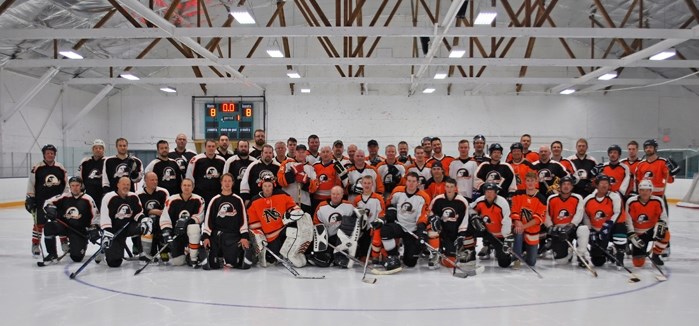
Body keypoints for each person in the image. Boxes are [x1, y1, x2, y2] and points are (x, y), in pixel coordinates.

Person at [247, 177, 311, 267]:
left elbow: (294, 207)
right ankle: (280, 254)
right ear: (262, 187)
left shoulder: (281, 195)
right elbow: (253, 225)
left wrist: (294, 212)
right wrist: (259, 237)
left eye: (269, 186)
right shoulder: (254, 201)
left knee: (295, 230)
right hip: (270, 237)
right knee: (272, 258)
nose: (267, 188)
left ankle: (293, 254)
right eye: (265, 186)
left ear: (273, 186)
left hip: (283, 229)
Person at [378, 172, 431, 272]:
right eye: (409, 181)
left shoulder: (423, 197)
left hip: (412, 229)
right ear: (406, 181)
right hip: (399, 225)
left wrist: (421, 230)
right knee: (385, 230)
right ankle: (393, 256)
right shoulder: (398, 191)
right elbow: (389, 203)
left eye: (414, 181)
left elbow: (422, 215)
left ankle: (409, 251)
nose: (411, 184)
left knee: (410, 262)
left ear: (418, 183)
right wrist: (390, 210)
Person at [635, 139, 678, 257]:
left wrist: (672, 172)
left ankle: (665, 246)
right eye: (646, 147)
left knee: (662, 223)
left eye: (650, 147)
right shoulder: (641, 164)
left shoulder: (663, 162)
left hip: (658, 198)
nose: (648, 149)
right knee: (645, 222)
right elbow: (637, 181)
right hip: (644, 198)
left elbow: (670, 180)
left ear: (655, 148)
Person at [41, 177, 98, 263]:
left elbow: (96, 216)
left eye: (77, 185)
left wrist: (94, 228)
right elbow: (48, 202)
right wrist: (50, 209)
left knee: (77, 258)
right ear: (70, 186)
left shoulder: (88, 199)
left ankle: (78, 244)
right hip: (65, 226)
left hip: (79, 230)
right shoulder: (64, 196)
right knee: (49, 227)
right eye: (72, 185)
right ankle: (52, 253)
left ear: (81, 186)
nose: (75, 188)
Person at [26, 144, 69, 258]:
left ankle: (64, 242)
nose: (50, 155)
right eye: (47, 153)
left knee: (60, 222)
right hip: (41, 201)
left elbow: (66, 185)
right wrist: (30, 197)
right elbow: (31, 184)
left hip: (57, 202)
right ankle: (35, 244)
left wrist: (66, 197)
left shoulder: (61, 168)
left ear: (55, 154)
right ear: (44, 154)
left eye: (52, 153)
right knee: (39, 224)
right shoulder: (37, 168)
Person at [202, 173, 251, 269]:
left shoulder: (238, 200)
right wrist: (206, 237)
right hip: (217, 234)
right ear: (221, 182)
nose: (227, 183)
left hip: (233, 235)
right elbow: (208, 220)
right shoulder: (215, 200)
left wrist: (244, 236)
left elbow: (243, 219)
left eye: (229, 181)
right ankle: (217, 255)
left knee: (233, 263)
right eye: (225, 181)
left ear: (233, 183)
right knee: (213, 265)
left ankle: (232, 254)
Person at [429, 178, 476, 268]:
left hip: (454, 233)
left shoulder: (462, 201)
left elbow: (465, 220)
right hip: (441, 232)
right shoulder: (438, 200)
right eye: (447, 187)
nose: (449, 189)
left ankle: (467, 251)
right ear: (444, 188)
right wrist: (433, 218)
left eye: (451, 187)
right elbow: (429, 213)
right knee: (431, 227)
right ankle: (434, 252)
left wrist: (461, 235)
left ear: (455, 188)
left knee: (450, 263)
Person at [582, 174, 627, 267]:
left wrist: (608, 224)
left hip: (611, 228)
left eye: (606, 183)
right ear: (597, 185)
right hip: (597, 230)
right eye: (602, 183)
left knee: (621, 227)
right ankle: (609, 252)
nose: (604, 185)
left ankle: (620, 252)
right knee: (597, 262)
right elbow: (586, 217)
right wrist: (591, 231)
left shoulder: (614, 196)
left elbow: (617, 212)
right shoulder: (588, 199)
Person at [544, 175, 589, 266]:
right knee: (561, 262)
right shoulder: (552, 198)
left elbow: (579, 213)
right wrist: (550, 227)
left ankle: (581, 255)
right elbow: (547, 215)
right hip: (558, 229)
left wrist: (571, 225)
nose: (566, 186)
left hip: (572, 227)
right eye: (564, 184)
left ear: (572, 187)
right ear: (559, 186)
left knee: (583, 229)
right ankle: (569, 251)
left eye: (568, 184)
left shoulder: (577, 198)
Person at [311, 186, 361, 267]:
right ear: (330, 195)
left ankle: (342, 255)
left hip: (343, 239)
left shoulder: (349, 206)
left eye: (338, 194)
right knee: (324, 261)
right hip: (328, 239)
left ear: (342, 195)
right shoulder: (321, 206)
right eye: (333, 194)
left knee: (348, 221)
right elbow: (316, 224)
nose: (335, 196)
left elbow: (356, 221)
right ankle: (328, 256)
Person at [99, 177, 144, 267]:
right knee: (114, 263)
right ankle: (104, 250)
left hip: (128, 227)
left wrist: (144, 219)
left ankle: (144, 252)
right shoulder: (108, 197)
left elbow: (138, 213)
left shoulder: (133, 196)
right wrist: (107, 232)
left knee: (146, 226)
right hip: (114, 230)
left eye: (128, 185)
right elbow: (104, 216)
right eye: (123, 184)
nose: (126, 187)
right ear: (118, 185)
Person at [160, 178, 206, 267]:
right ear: (181, 187)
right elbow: (165, 218)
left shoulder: (199, 199)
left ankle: (193, 258)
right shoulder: (171, 200)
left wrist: (186, 223)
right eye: (184, 185)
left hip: (190, 233)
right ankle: (184, 251)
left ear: (193, 187)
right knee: (178, 262)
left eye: (189, 185)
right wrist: (167, 232)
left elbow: (200, 216)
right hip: (176, 233)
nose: (186, 187)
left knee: (193, 227)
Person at [626, 180, 670, 267]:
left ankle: (656, 255)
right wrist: (632, 234)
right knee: (638, 264)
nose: (644, 192)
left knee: (665, 233)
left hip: (651, 230)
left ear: (651, 191)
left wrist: (660, 225)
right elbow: (628, 220)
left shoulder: (658, 201)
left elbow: (663, 216)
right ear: (639, 191)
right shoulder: (631, 201)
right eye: (642, 190)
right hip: (637, 232)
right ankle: (624, 247)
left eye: (647, 190)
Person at [469, 183, 513, 268]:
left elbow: (507, 221)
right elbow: (469, 208)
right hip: (486, 231)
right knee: (468, 227)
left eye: (491, 191)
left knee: (504, 263)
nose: (489, 194)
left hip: (499, 235)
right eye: (487, 191)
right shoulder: (480, 200)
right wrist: (474, 217)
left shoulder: (502, 203)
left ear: (496, 193)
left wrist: (506, 238)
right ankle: (469, 251)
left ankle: (507, 253)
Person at [510, 172, 547, 267]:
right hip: (519, 227)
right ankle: (516, 259)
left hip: (532, 230)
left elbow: (538, 219)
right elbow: (514, 211)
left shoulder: (541, 198)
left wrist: (523, 226)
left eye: (532, 181)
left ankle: (525, 254)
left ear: (536, 182)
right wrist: (518, 223)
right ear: (524, 182)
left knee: (531, 262)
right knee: (518, 232)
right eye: (528, 180)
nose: (530, 183)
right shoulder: (518, 194)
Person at [136, 172, 170, 262]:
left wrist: (160, 213)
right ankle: (147, 251)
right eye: (152, 180)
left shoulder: (163, 192)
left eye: (156, 180)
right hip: (146, 221)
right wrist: (150, 211)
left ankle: (164, 250)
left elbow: (168, 208)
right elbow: (137, 211)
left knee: (162, 223)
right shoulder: (138, 194)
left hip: (160, 219)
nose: (155, 182)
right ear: (145, 181)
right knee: (147, 223)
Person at [352, 176, 386, 264]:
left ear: (372, 184)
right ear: (362, 184)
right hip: (363, 229)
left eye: (369, 183)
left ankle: (378, 254)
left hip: (375, 228)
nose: (367, 185)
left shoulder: (378, 198)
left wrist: (377, 222)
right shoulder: (357, 199)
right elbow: (355, 214)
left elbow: (382, 213)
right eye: (365, 183)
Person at [278, 144, 319, 213]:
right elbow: (280, 181)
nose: (301, 154)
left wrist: (306, 181)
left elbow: (314, 187)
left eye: (303, 152)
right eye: (299, 152)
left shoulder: (310, 167)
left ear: (306, 153)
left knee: (304, 223)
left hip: (305, 202)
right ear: (295, 152)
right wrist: (292, 173)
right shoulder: (286, 163)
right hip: (288, 201)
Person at [186, 139, 226, 206]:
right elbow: (189, 177)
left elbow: (225, 177)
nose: (211, 148)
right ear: (205, 147)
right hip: (200, 193)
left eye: (213, 146)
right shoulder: (196, 159)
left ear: (216, 147)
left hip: (216, 193)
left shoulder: (222, 160)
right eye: (209, 146)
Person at [313, 146, 342, 212]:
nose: (325, 154)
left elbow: (345, 182)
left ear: (331, 153)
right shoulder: (315, 165)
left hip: (332, 199)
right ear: (320, 154)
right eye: (323, 152)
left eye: (327, 152)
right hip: (317, 199)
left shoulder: (337, 165)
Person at [78, 139, 106, 209]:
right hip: (89, 193)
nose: (98, 150)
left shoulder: (107, 161)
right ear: (92, 150)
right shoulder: (85, 162)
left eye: (100, 148)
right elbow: (80, 177)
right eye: (96, 148)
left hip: (103, 193)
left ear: (103, 150)